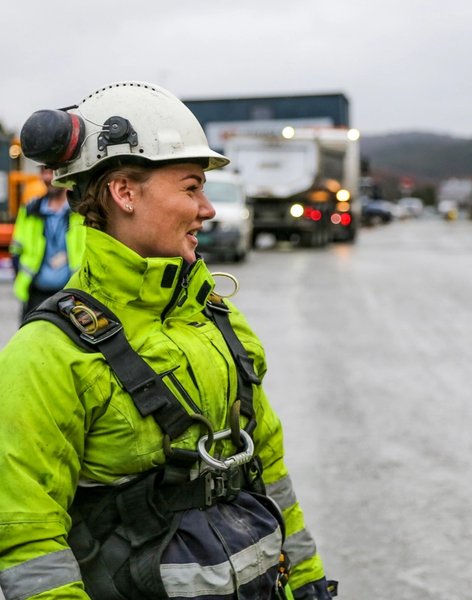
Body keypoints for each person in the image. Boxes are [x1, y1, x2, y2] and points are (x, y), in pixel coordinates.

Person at [0, 82, 336, 600]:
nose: (208, 209)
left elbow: (269, 473)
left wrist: (309, 582)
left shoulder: (218, 321)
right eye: (190, 187)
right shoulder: (46, 355)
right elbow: (28, 539)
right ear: (125, 193)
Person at [10, 164, 85, 321]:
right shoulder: (30, 210)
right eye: (43, 172)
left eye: (50, 172)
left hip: (73, 295)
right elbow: (16, 250)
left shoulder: (80, 211)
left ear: (63, 174)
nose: (46, 177)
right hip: (36, 295)